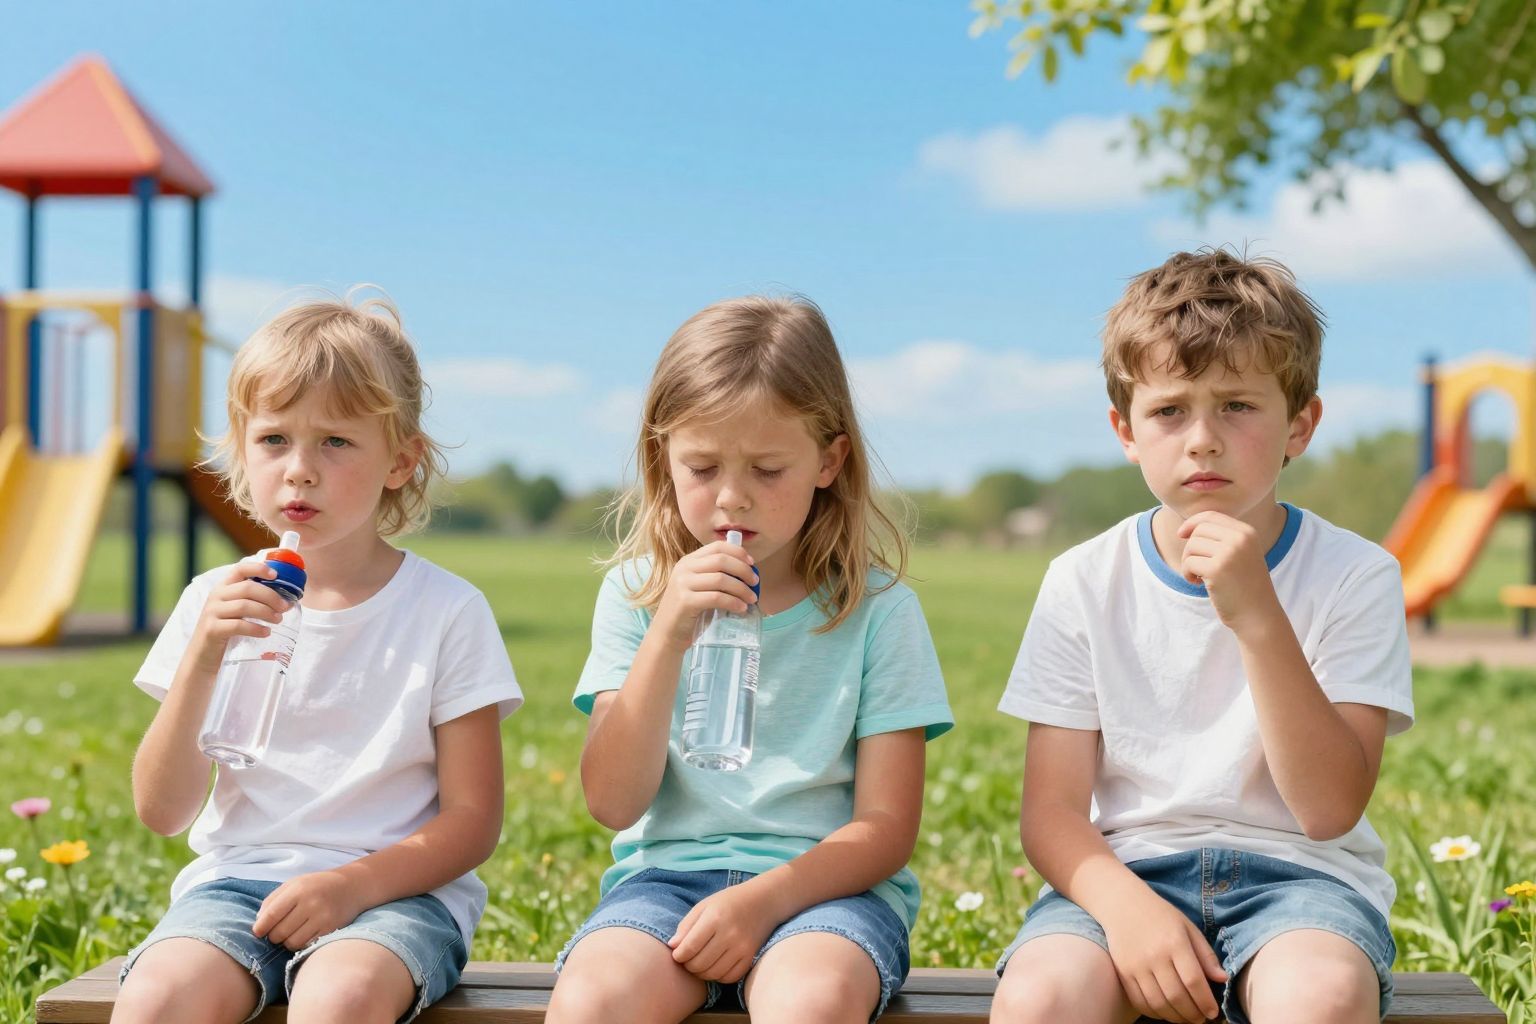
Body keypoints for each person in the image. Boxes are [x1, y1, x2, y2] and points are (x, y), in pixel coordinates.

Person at [991, 249, 1413, 1024]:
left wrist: (1258, 616)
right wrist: (1130, 914)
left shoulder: (1356, 575)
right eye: (1170, 410)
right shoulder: (1083, 579)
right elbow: (1051, 814)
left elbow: (1328, 810)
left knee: (1321, 995)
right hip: (1123, 877)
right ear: (1126, 430)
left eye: (1239, 406)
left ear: (1301, 424)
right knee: (1043, 997)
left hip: (1301, 883)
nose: (1202, 439)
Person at [114, 292, 522, 1024]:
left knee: (341, 997)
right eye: (274, 440)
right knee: (157, 997)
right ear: (241, 450)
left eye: (336, 442)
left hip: (397, 897)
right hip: (237, 886)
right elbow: (163, 810)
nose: (300, 470)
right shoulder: (214, 600)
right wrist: (205, 657)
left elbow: (473, 820)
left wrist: (351, 887)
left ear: (401, 462)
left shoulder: (446, 611)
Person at [548, 295, 953, 1023]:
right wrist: (670, 630)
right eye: (702, 466)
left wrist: (762, 901)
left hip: (826, 894)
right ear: (660, 458)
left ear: (830, 460)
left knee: (814, 1000)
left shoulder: (880, 612)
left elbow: (887, 828)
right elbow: (612, 801)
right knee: (594, 999)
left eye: (768, 469)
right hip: (664, 883)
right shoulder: (636, 595)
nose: (732, 499)